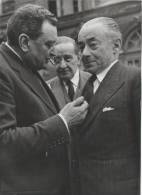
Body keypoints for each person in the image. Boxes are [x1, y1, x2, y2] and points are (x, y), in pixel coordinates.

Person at [0, 4, 88, 195]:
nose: (52, 54)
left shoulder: (24, 63)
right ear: (24, 42)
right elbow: (4, 142)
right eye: (48, 45)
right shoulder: (3, 70)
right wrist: (63, 122)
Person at [72, 17, 140, 195]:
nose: (84, 53)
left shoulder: (135, 80)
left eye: (92, 45)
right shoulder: (86, 87)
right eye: (81, 47)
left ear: (116, 46)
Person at [47, 36, 91, 109]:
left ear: (79, 58)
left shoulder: (93, 81)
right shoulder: (47, 88)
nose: (62, 65)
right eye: (57, 60)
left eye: (67, 59)